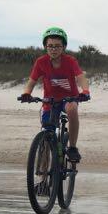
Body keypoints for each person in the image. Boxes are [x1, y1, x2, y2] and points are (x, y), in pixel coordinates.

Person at [19, 27, 90, 163]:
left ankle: (72, 148)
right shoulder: (41, 62)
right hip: (49, 101)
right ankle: (43, 170)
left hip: (69, 99)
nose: (53, 49)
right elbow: (31, 82)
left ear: (64, 47)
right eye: (50, 46)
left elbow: (81, 78)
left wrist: (85, 91)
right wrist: (26, 93)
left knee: (72, 109)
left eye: (57, 46)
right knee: (46, 134)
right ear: (45, 47)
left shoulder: (70, 61)